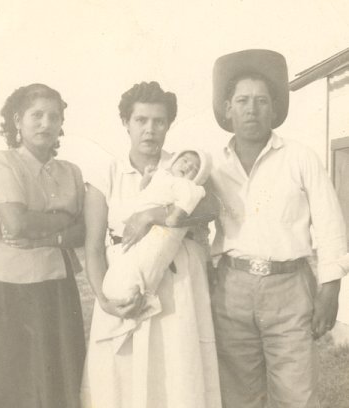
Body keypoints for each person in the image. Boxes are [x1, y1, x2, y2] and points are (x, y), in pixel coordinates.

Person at [209, 49, 349, 408]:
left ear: (274, 109)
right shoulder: (212, 166)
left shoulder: (300, 158)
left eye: (261, 101)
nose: (252, 109)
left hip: (289, 290)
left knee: (297, 396)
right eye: (242, 100)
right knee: (239, 397)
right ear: (228, 109)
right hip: (231, 292)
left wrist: (330, 290)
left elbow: (332, 226)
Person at [81, 81, 221, 408]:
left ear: (169, 125)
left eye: (159, 121)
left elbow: (212, 207)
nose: (150, 130)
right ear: (126, 123)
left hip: (177, 284)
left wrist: (153, 215)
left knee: (175, 375)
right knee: (121, 380)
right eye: (141, 120)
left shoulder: (187, 166)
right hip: (125, 281)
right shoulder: (107, 172)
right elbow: (92, 246)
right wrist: (104, 300)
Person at [0, 83, 86, 408]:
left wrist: (47, 233)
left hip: (58, 290)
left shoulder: (71, 172)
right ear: (18, 120)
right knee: (8, 387)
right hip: (8, 291)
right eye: (37, 115)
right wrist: (63, 218)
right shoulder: (2, 163)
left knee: (57, 387)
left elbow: (84, 231)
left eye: (54, 116)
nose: (46, 123)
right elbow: (15, 223)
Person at [98, 149, 212, 350]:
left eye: (194, 168)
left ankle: (141, 300)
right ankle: (131, 304)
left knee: (148, 265)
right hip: (128, 238)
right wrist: (147, 181)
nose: (187, 167)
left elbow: (194, 198)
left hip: (160, 235)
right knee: (125, 275)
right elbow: (146, 193)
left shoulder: (185, 185)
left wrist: (174, 214)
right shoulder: (160, 175)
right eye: (184, 160)